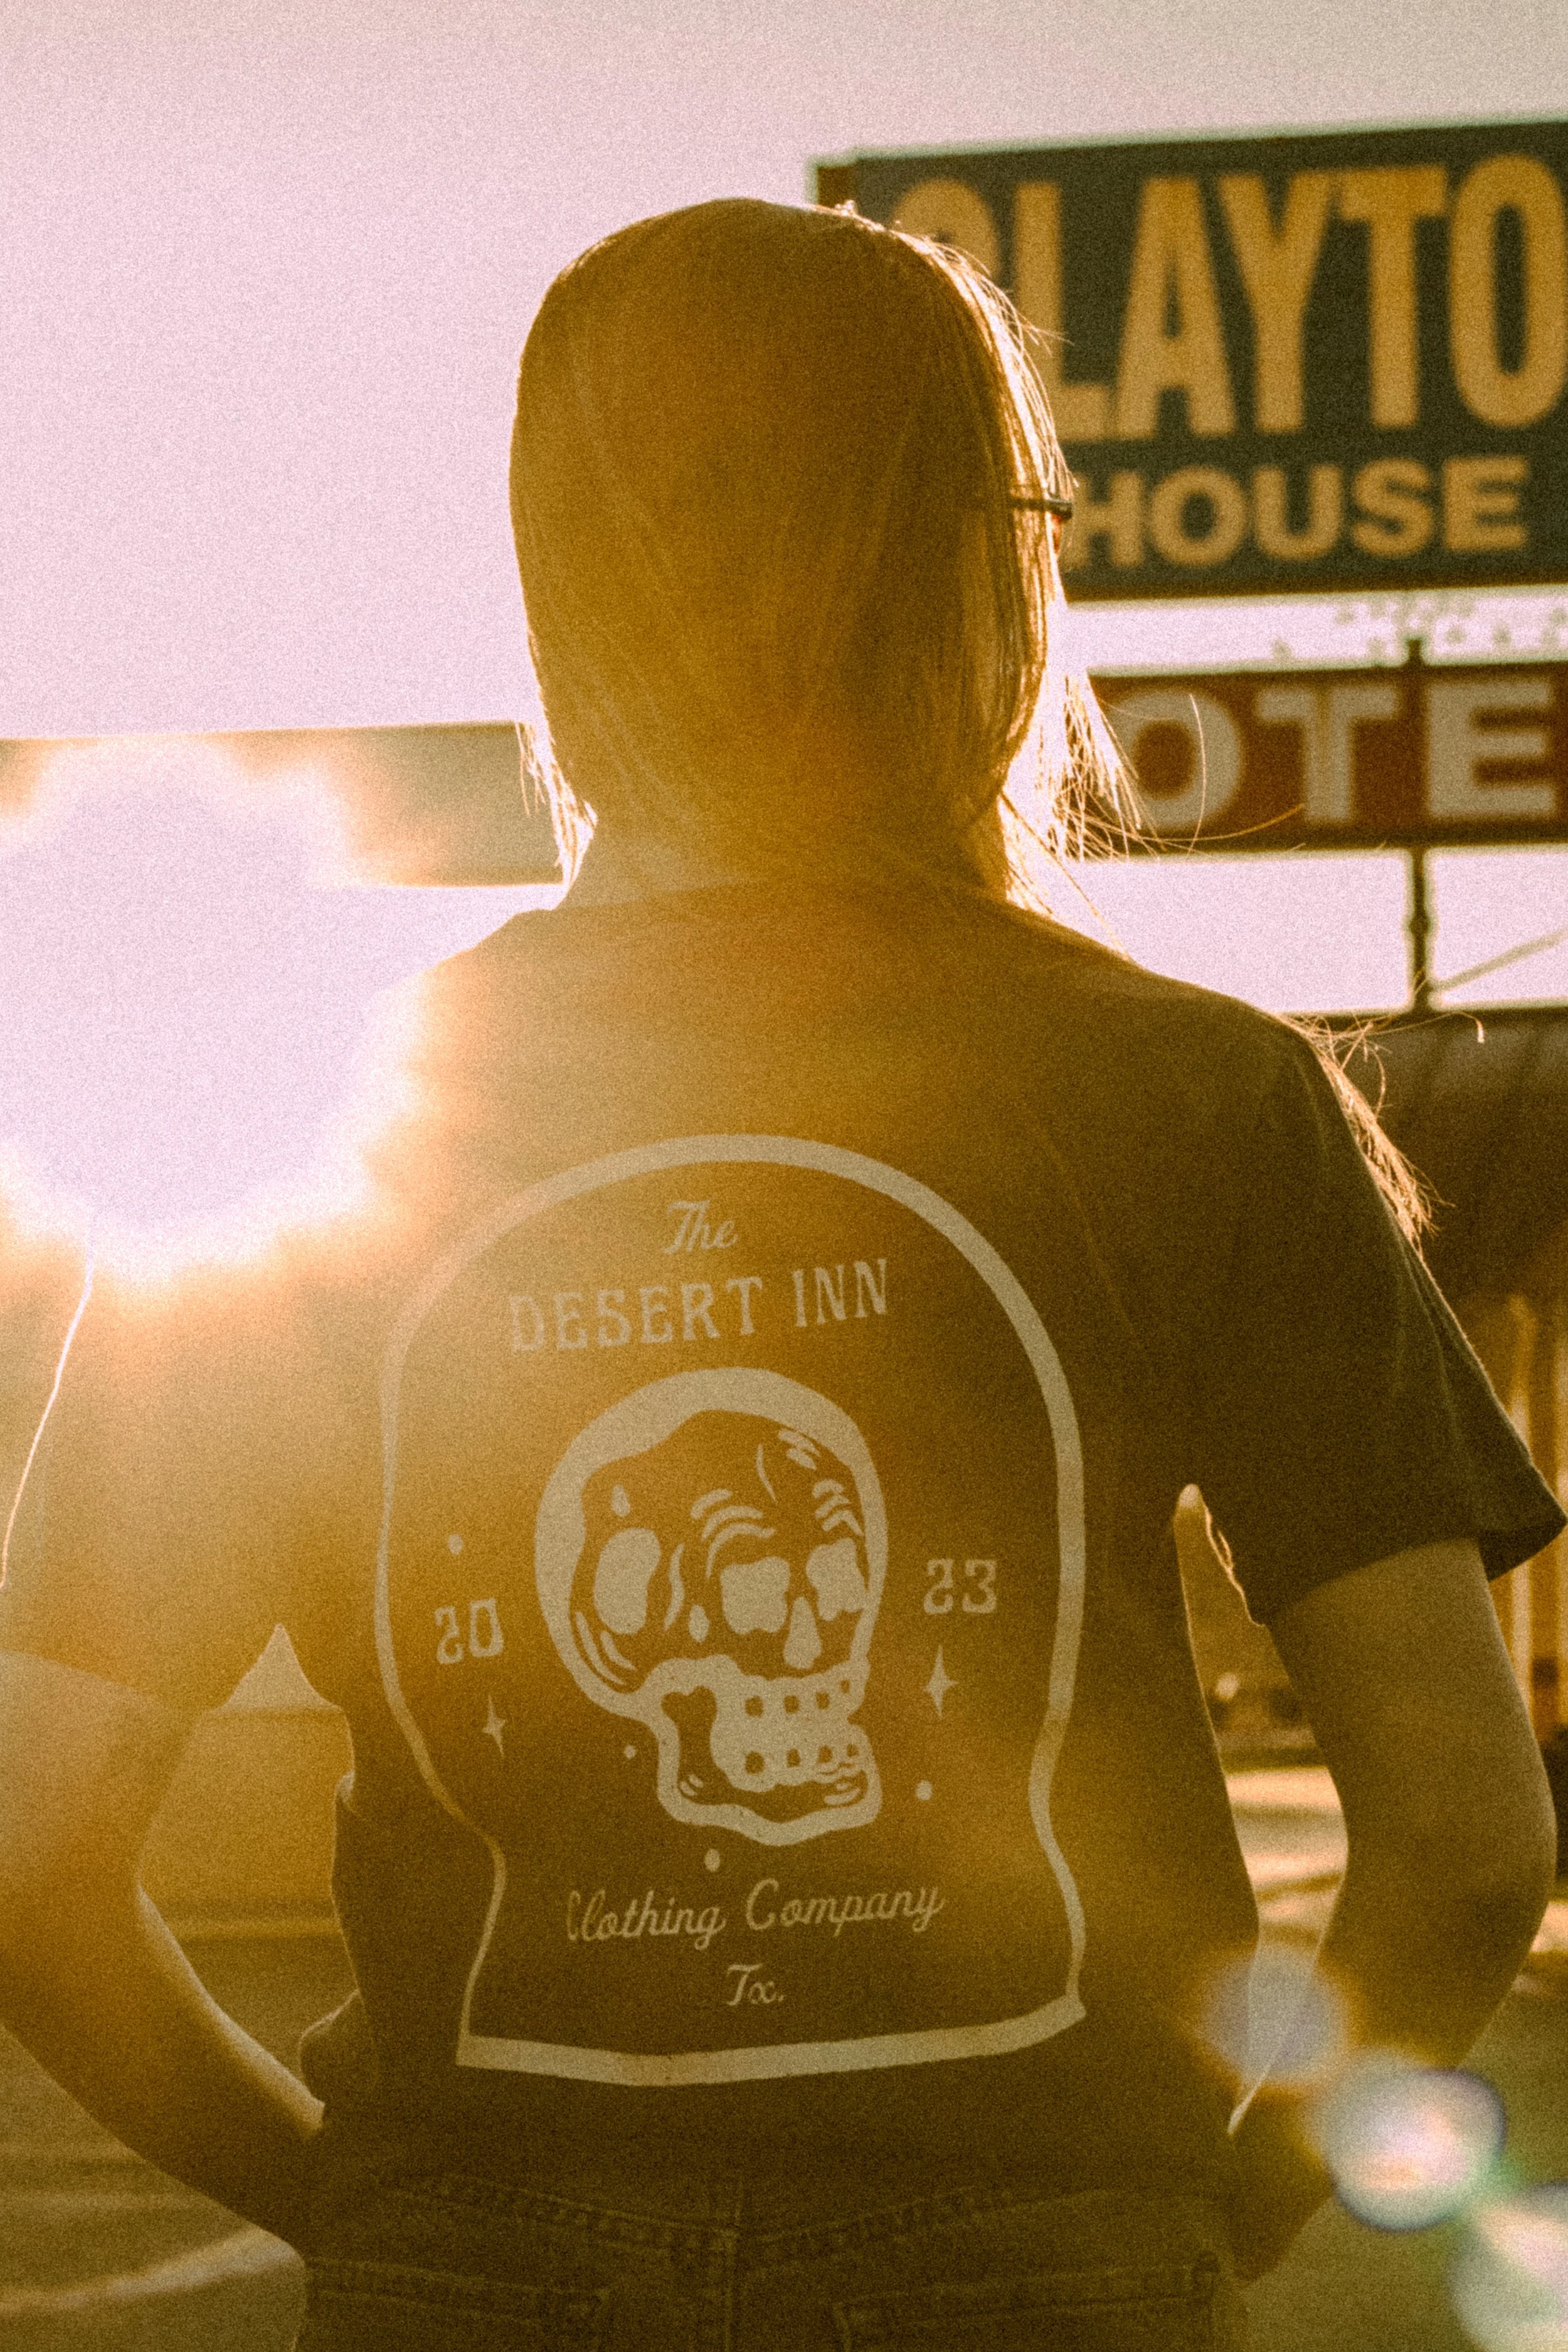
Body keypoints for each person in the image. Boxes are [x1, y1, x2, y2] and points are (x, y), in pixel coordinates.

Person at [0, 196, 1560, 2352]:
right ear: (993, 560)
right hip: (1037, 2246)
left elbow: (29, 1846)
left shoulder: (325, 1133)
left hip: (474, 2257)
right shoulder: (1205, 1099)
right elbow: (1469, 1835)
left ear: (563, 586)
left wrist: (369, 2204)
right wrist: (1202, 2208)